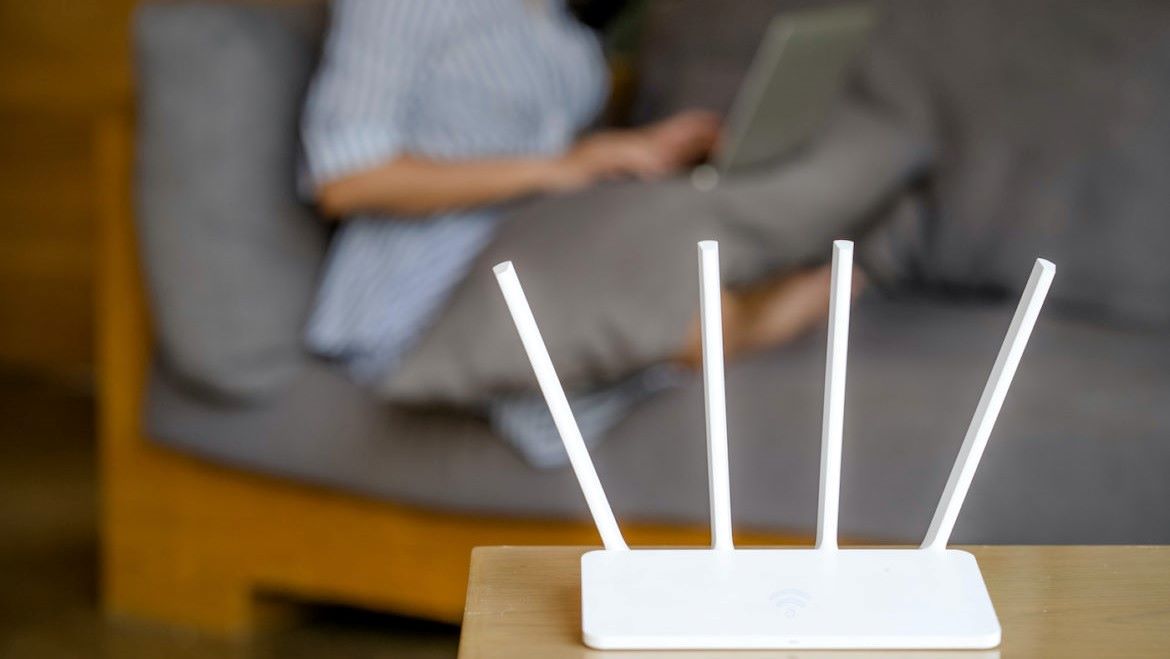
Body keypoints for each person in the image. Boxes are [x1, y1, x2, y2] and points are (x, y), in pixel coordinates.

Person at [301, 0, 836, 464]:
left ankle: (775, 301)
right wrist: (560, 167)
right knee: (689, 320)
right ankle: (764, 315)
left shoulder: (550, 16)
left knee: (695, 279)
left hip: (542, 241)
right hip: (422, 284)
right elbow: (345, 177)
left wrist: (643, 149)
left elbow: (558, 150)